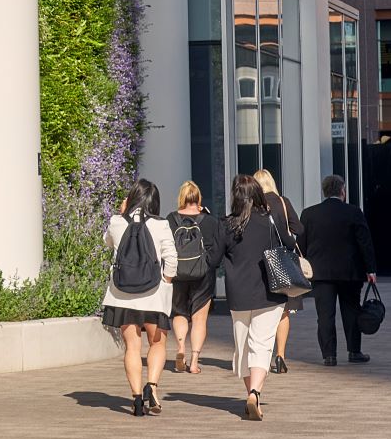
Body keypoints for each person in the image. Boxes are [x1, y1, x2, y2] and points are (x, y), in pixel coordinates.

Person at [103, 179, 179, 417]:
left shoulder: (116, 222)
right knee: (157, 343)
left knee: (132, 347)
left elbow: (107, 243)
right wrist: (166, 281)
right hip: (153, 295)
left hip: (123, 295)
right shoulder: (161, 224)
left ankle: (136, 398)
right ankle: (152, 387)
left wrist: (122, 213)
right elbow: (172, 258)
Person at [219, 173, 286, 421]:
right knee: (262, 343)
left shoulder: (226, 224)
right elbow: (288, 243)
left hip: (239, 293)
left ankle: (250, 393)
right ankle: (255, 393)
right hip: (269, 290)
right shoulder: (270, 219)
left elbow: (215, 258)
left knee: (243, 345)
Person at [298, 175, 379, 366]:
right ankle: (354, 351)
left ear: (324, 192)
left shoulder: (309, 214)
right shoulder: (353, 212)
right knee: (351, 311)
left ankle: (329, 355)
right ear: (342, 191)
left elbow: (301, 244)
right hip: (349, 273)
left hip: (321, 273)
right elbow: (365, 243)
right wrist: (371, 269)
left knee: (325, 315)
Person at [167, 181, 224, 374]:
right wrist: (209, 264)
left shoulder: (171, 219)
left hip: (178, 274)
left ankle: (181, 347)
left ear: (181, 198)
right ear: (198, 199)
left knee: (179, 313)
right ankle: (194, 361)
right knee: (199, 318)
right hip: (203, 275)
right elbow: (218, 251)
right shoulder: (210, 221)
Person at [253, 169, 304, 375]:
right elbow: (298, 228)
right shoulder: (283, 202)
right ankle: (280, 355)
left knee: (261, 310)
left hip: (259, 263)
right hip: (282, 263)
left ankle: (260, 357)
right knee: (283, 312)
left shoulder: (253, 205)